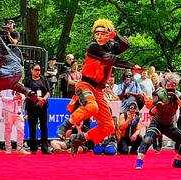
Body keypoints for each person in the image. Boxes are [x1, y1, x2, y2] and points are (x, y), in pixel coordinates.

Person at [56, 18, 139, 157]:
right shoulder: (93, 47)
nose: (99, 36)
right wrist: (131, 66)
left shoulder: (111, 46)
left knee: (109, 126)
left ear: (108, 34)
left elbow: (126, 45)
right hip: (85, 84)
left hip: (99, 90)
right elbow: (112, 60)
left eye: (103, 33)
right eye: (97, 33)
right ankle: (65, 125)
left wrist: (116, 36)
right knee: (91, 107)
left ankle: (80, 138)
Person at [135, 73, 181, 170]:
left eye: (173, 85)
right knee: (148, 139)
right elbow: (151, 112)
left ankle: (178, 160)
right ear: (165, 85)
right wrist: (157, 106)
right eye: (168, 85)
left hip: (169, 125)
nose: (170, 87)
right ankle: (139, 161)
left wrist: (176, 99)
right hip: (157, 123)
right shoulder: (159, 94)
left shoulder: (179, 95)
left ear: (176, 85)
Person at [24, 64, 51, 154]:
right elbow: (26, 92)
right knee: (32, 127)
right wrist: (37, 99)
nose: (37, 72)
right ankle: (33, 148)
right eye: (35, 70)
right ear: (31, 70)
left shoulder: (43, 79)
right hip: (32, 106)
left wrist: (44, 98)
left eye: (39, 70)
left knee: (44, 126)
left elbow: (48, 91)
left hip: (43, 105)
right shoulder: (28, 80)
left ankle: (45, 148)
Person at [0, 89, 30, 155]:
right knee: (8, 130)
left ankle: (20, 148)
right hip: (8, 111)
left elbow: (23, 98)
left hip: (18, 112)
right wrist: (13, 98)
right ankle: (8, 147)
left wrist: (20, 97)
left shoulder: (19, 87)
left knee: (21, 129)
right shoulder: (5, 87)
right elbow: (3, 98)